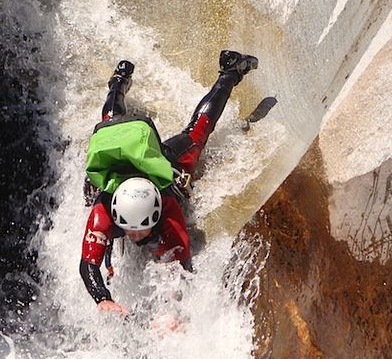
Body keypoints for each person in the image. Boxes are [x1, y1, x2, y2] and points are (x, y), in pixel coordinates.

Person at [79, 50, 259, 315]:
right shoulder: (104, 212)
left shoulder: (168, 210)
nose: (137, 237)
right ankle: (118, 81)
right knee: (109, 125)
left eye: (142, 230)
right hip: (120, 165)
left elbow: (180, 266)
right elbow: (88, 265)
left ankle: (231, 71)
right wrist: (101, 297)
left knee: (197, 132)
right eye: (131, 230)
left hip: (157, 161)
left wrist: (170, 313)